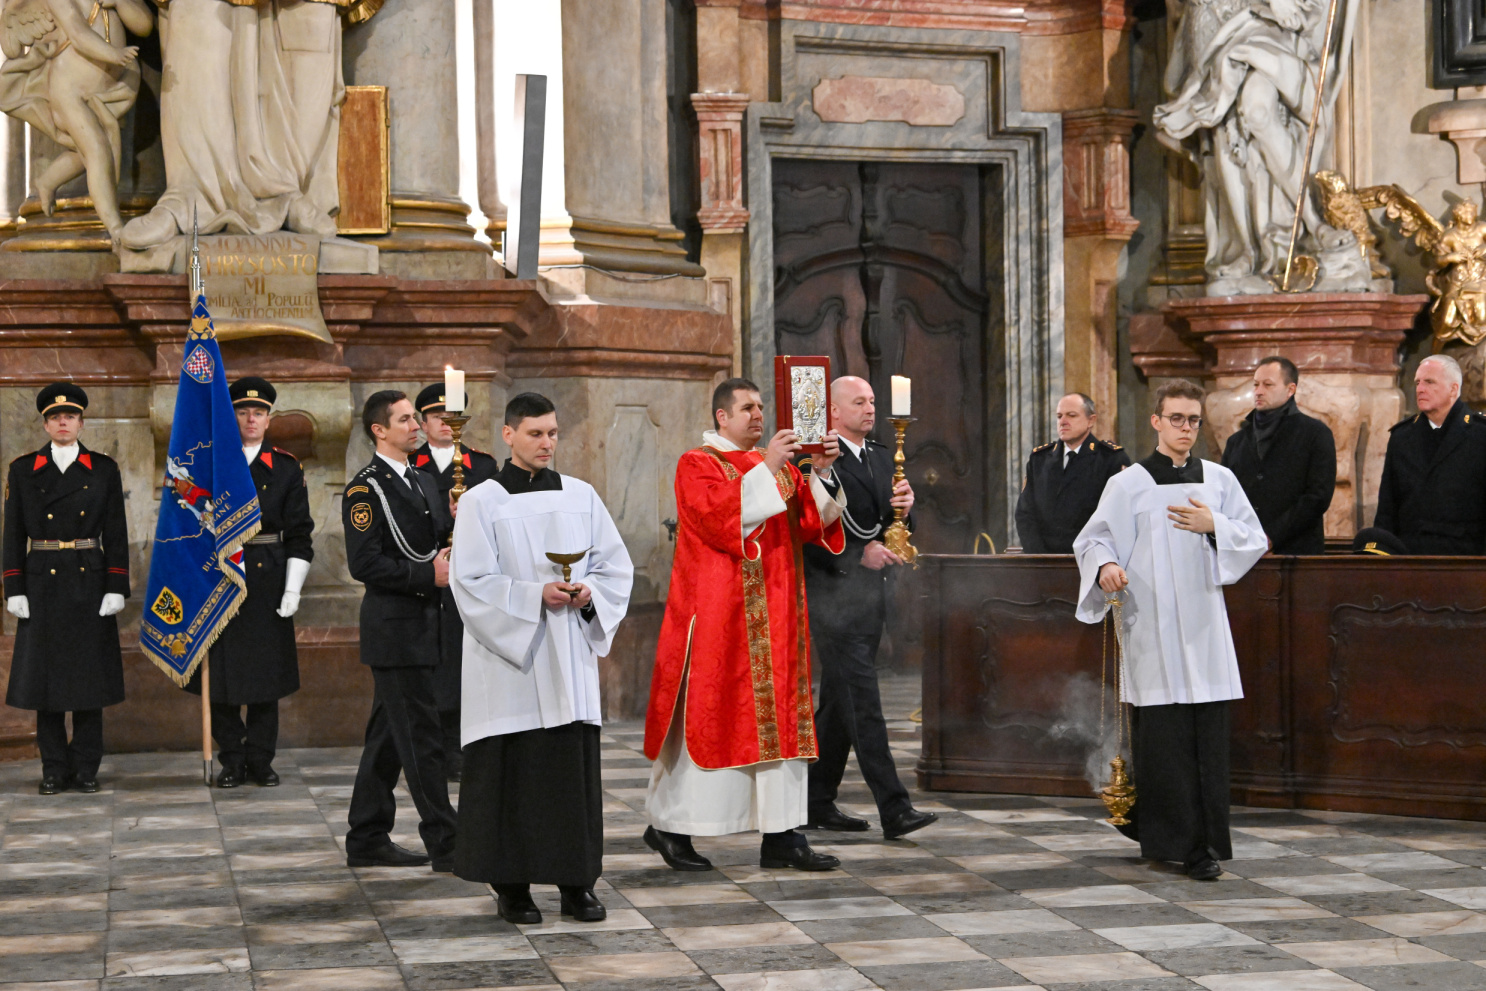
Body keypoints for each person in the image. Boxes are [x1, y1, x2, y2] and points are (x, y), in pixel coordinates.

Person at [642, 377, 847, 873]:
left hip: (778, 618)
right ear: (722, 416)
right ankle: (671, 827)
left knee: (781, 728)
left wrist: (820, 471)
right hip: (722, 620)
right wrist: (771, 466)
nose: (758, 415)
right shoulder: (698, 463)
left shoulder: (775, 465)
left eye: (760, 407)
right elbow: (718, 519)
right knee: (713, 719)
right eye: (747, 408)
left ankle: (783, 836)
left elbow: (810, 523)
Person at [450, 392, 633, 926]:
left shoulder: (581, 495)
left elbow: (614, 566)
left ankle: (577, 884)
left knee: (568, 774)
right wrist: (535, 596)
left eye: (553, 433)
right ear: (508, 435)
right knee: (512, 772)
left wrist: (589, 593)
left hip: (569, 654)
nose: (547, 443)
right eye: (535, 433)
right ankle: (512, 887)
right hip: (512, 662)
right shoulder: (483, 501)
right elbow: (470, 581)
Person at [1073, 381, 1266, 880]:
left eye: (1193, 420)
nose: (1186, 428)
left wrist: (1214, 525)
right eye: (1176, 418)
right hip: (1151, 626)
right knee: (1163, 740)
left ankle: (1203, 846)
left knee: (1206, 740)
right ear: (1156, 421)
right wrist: (1105, 566)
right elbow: (1093, 539)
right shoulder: (1129, 484)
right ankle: (1164, 839)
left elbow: (1254, 537)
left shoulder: (1220, 480)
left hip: (1204, 629)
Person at [802, 376, 937, 840]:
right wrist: (857, 554)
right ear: (834, 412)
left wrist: (907, 509)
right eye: (858, 402)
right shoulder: (816, 460)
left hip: (873, 598)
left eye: (872, 401)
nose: (870, 408)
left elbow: (893, 524)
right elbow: (806, 529)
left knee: (839, 705)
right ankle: (894, 809)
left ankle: (815, 799)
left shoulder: (881, 456)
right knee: (864, 704)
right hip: (834, 598)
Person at [342, 390, 457, 871]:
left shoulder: (425, 479)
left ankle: (367, 835)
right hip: (395, 630)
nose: (416, 426)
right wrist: (427, 575)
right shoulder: (364, 490)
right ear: (379, 430)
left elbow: (438, 541)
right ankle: (447, 841)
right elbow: (364, 563)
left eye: (416, 418)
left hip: (427, 624)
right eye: (406, 420)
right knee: (421, 737)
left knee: (389, 736)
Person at [185, 377, 313, 788]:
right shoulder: (210, 465)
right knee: (220, 676)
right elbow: (190, 529)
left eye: (259, 412)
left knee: (265, 676)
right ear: (232, 417)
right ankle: (232, 758)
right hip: (220, 575)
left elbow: (300, 534)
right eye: (242, 412)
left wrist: (292, 588)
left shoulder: (286, 467)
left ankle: (261, 759)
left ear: (269, 419)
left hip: (268, 577)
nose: (251, 419)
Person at [3, 383, 129, 795]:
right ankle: (54, 768)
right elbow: (12, 533)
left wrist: (116, 584)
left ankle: (87, 767)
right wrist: (13, 588)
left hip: (89, 580)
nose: (63, 422)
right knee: (47, 684)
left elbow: (116, 531)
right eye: (55, 417)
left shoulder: (103, 469)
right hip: (41, 582)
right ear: (45, 424)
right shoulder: (23, 469)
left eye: (70, 416)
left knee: (89, 681)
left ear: (81, 423)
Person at [412, 382, 500, 782]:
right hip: (428, 573)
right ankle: (432, 749)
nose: (446, 424)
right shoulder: (411, 464)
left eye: (453, 417)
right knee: (434, 665)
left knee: (465, 664)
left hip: (472, 575)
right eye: (437, 417)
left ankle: (462, 748)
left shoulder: (481, 465)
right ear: (423, 423)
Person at [1220, 356, 1336, 555]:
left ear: (1290, 390)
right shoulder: (1237, 441)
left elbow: (1318, 496)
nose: (1258, 391)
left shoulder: (1315, 434)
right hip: (1242, 550)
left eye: (1268, 385)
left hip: (1297, 552)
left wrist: (1271, 536)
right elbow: (1225, 494)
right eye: (1255, 384)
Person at [1373, 354, 1486, 555]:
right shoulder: (1402, 437)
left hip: (1465, 557)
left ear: (1453, 389)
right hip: (1409, 556)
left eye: (1429, 382)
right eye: (1417, 382)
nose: (1420, 389)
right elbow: (1387, 508)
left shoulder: (1480, 434)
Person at [1015, 393, 1130, 553]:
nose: (1063, 421)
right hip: (1042, 560)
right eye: (1059, 416)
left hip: (1091, 557)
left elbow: (1116, 515)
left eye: (1071, 415)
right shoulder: (1039, 459)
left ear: (1091, 420)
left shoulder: (1110, 459)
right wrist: (1039, 556)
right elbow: (1025, 513)